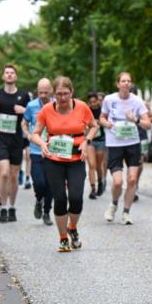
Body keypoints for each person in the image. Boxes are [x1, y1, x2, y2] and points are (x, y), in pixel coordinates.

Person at [30, 76, 99, 251]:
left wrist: (86, 141)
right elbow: (35, 133)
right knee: (60, 198)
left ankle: (73, 228)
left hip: (76, 159)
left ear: (72, 93)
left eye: (66, 94)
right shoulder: (47, 110)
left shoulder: (82, 107)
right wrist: (42, 144)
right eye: (59, 94)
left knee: (76, 198)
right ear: (54, 94)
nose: (62, 98)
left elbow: (94, 126)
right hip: (54, 160)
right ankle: (62, 238)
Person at [100, 71, 152, 225]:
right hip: (114, 143)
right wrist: (106, 124)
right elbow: (101, 118)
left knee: (132, 179)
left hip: (132, 143)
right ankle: (114, 204)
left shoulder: (137, 101)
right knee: (117, 182)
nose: (126, 83)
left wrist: (134, 119)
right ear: (118, 84)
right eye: (123, 81)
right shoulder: (109, 100)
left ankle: (126, 212)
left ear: (131, 84)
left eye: (129, 81)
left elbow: (147, 123)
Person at [0, 65, 30, 222]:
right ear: (3, 76)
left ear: (16, 77)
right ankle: (3, 208)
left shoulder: (23, 95)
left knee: (13, 176)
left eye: (12, 73)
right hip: (1, 139)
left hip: (16, 140)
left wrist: (24, 110)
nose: (9, 75)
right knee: (4, 173)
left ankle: (12, 207)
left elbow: (32, 114)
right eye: (6, 72)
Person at [24, 78, 54, 225]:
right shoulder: (31, 106)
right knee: (40, 182)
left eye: (46, 92)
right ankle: (38, 199)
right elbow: (24, 123)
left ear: (51, 91)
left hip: (53, 151)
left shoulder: (57, 105)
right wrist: (28, 135)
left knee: (51, 185)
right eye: (40, 92)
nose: (42, 95)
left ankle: (47, 212)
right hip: (36, 150)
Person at [85, 91, 107, 199]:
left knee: (99, 165)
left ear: (98, 100)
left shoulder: (103, 110)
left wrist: (101, 122)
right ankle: (92, 189)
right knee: (91, 165)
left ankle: (100, 182)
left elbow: (107, 122)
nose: (93, 104)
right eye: (91, 102)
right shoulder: (87, 110)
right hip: (90, 140)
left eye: (95, 101)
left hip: (101, 140)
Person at [133, 94, 152, 202]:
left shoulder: (142, 104)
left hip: (142, 136)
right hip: (130, 136)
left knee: (140, 163)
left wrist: (148, 108)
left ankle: (135, 183)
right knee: (132, 163)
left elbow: (151, 118)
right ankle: (132, 186)